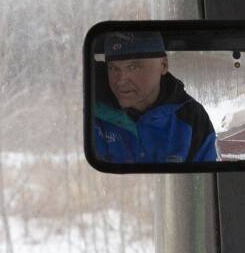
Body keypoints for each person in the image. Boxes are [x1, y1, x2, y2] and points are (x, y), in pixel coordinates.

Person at [93, 31, 219, 163]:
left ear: (163, 65)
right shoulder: (91, 103)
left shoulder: (191, 118)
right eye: (113, 68)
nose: (120, 80)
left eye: (133, 67)